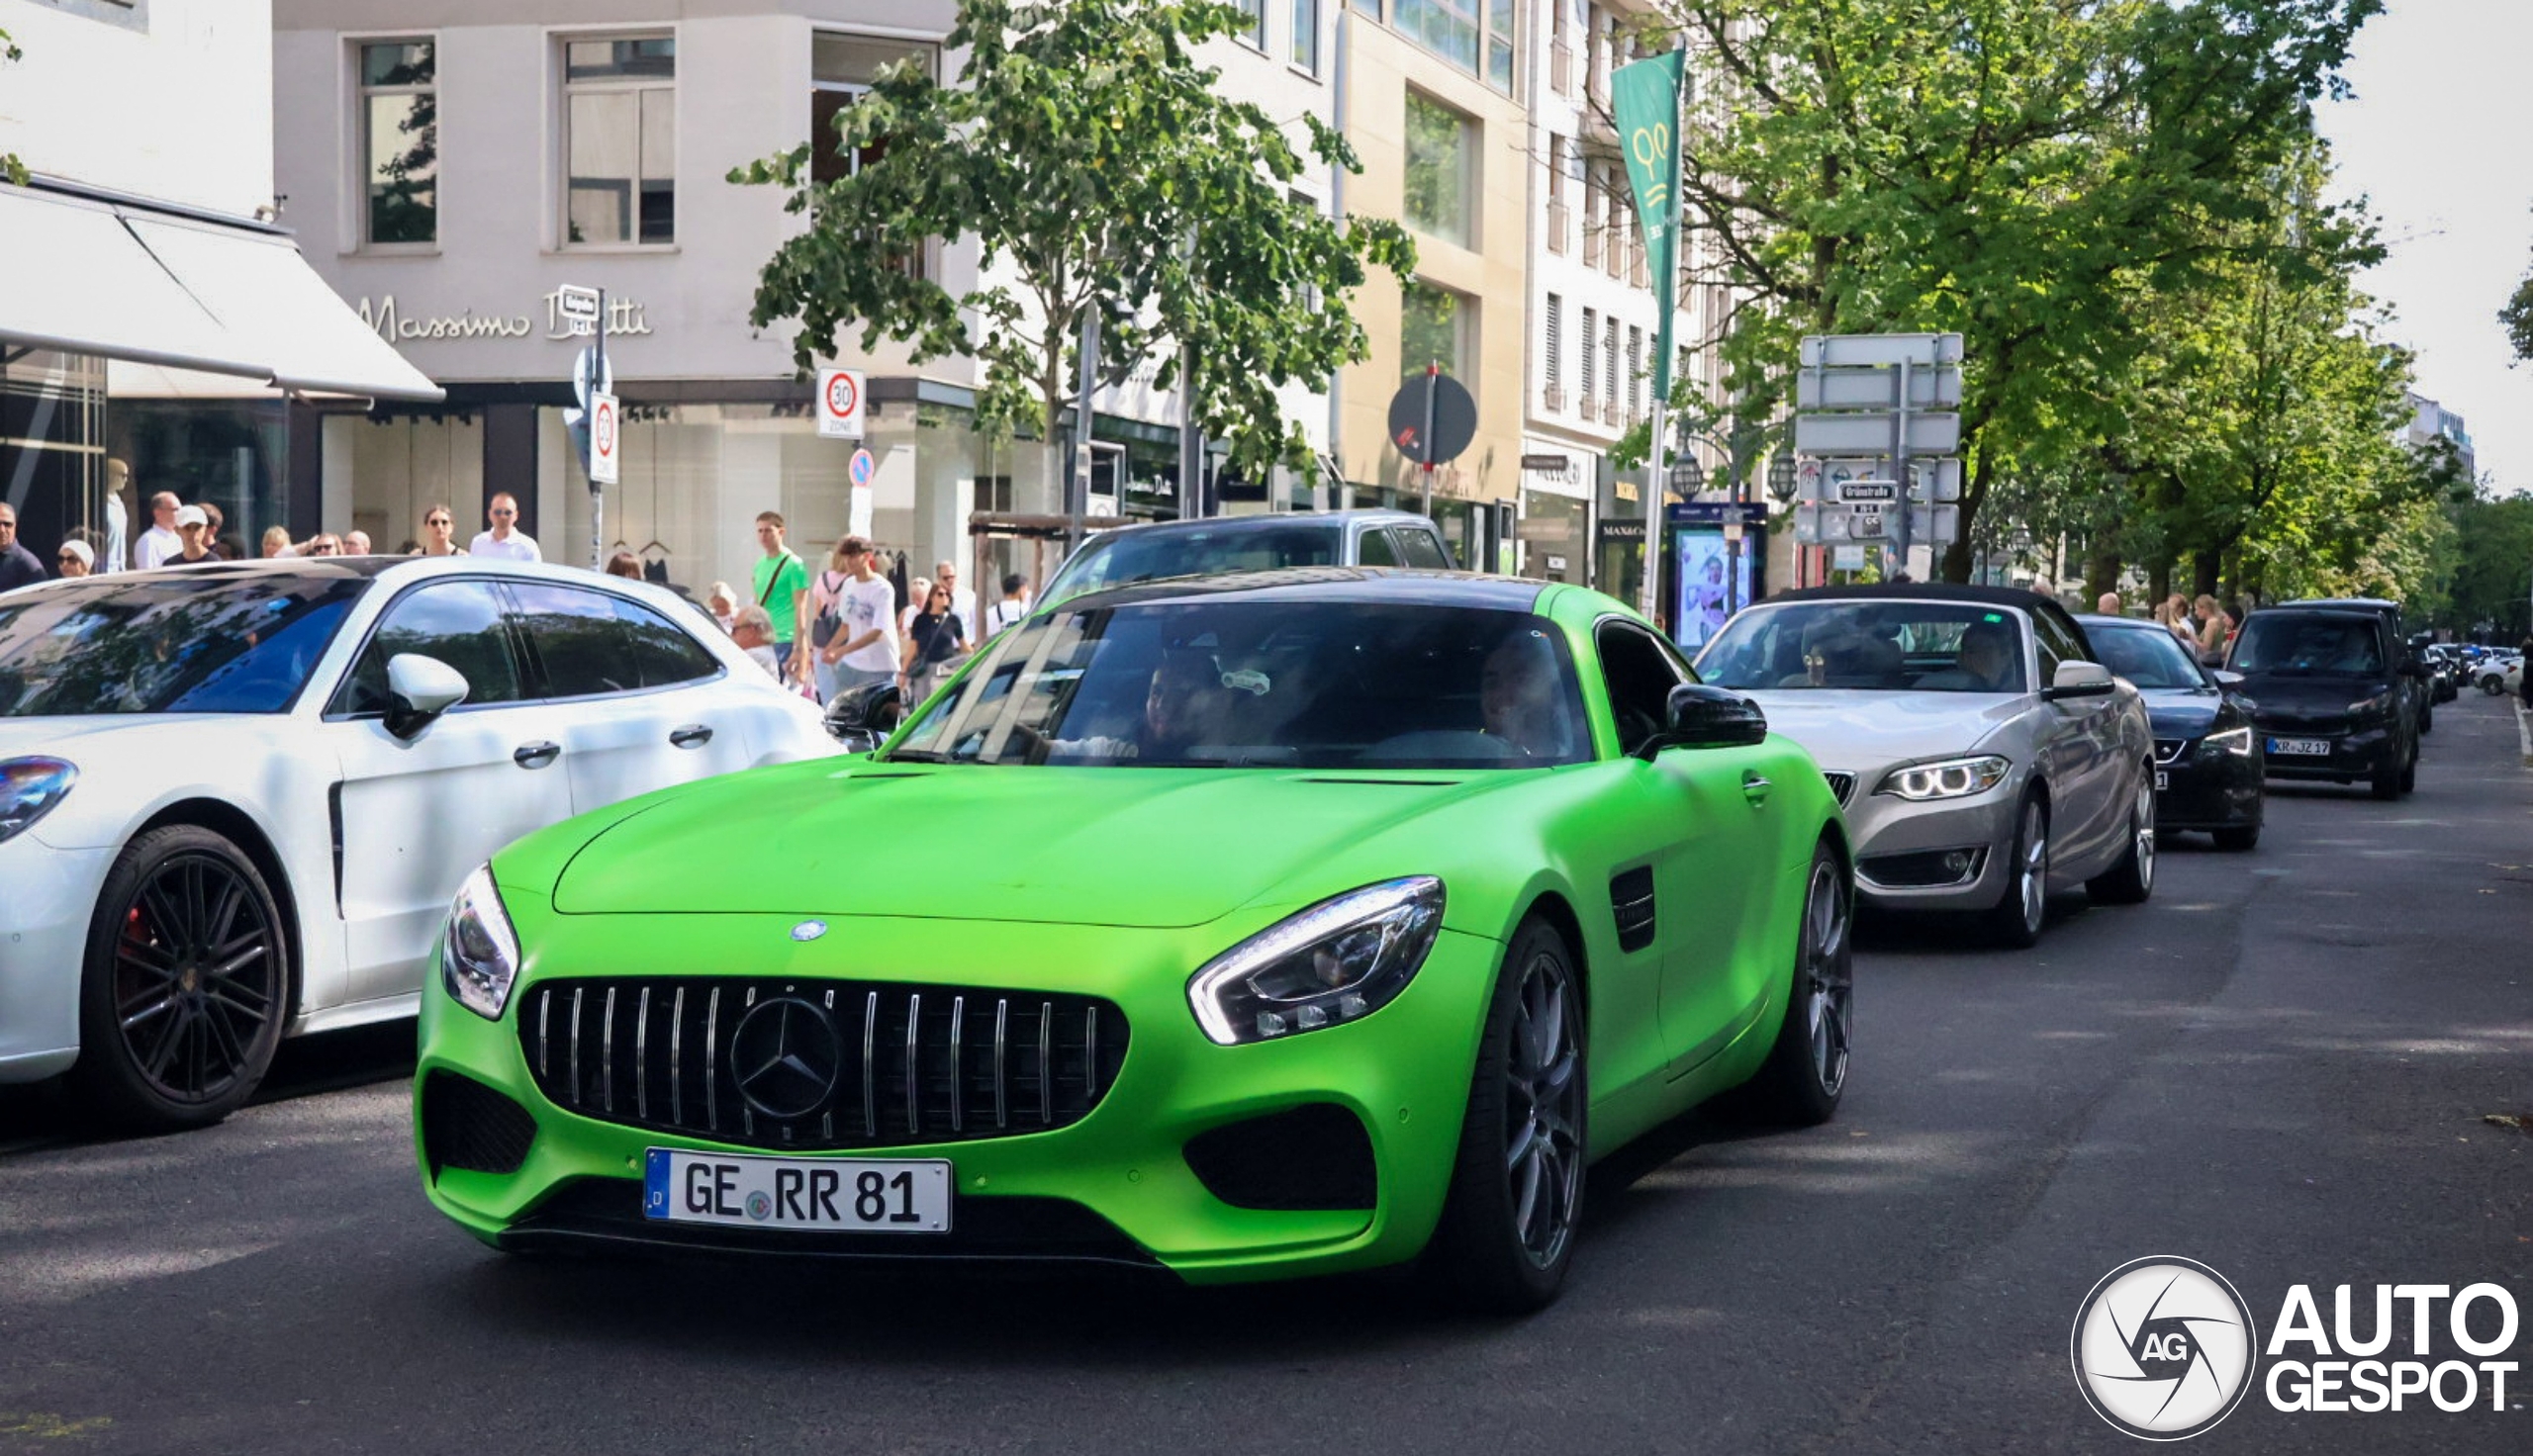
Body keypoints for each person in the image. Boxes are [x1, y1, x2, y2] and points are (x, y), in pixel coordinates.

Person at [813, 534, 899, 698]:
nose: (848, 561)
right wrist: (830, 647)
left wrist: (841, 651)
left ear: (867, 556)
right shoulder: (849, 584)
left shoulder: (883, 588)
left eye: (853, 556)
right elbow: (846, 624)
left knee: (876, 719)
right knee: (840, 713)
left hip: (878, 666)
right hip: (851, 663)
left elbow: (877, 631)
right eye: (845, 557)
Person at [1479, 629, 1573, 758]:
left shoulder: (1580, 769)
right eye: (1492, 683)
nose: (1503, 694)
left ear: (1553, 693)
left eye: (1521, 679)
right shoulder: (1458, 761)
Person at [751, 510, 810, 681]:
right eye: (760, 531)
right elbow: (757, 604)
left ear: (781, 532)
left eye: (768, 530)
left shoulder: (794, 564)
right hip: (764, 638)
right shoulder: (759, 564)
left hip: (785, 638)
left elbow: (801, 608)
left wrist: (798, 648)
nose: (763, 536)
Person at [901, 580, 968, 688]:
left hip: (946, 668)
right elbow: (912, 648)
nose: (945, 597)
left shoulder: (953, 620)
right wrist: (902, 673)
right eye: (940, 594)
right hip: (925, 668)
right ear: (932, 597)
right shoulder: (921, 620)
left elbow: (963, 645)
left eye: (947, 594)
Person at [468, 494, 540, 561]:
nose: (503, 517)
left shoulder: (528, 546)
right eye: (497, 512)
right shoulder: (478, 543)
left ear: (516, 515)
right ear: (490, 514)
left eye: (508, 512)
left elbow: (536, 573)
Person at [0, 503, 44, 592]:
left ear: (15, 525)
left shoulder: (28, 564)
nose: (2, 530)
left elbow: (40, 602)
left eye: (7, 524)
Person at [730, 604, 783, 678]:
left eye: (735, 629)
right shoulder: (765, 652)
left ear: (751, 631)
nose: (731, 635)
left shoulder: (754, 655)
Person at [135, 492, 182, 570]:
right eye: (175, 509)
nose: (180, 513)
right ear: (158, 512)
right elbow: (147, 577)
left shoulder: (180, 537)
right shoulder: (149, 541)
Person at [935, 559, 979, 641]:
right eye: (946, 578)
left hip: (964, 649)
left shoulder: (968, 596)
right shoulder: (933, 596)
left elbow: (977, 623)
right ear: (938, 578)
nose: (950, 580)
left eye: (952, 577)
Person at [101, 458, 131, 573]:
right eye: (123, 475)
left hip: (119, 568)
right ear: (112, 475)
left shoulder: (119, 504)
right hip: (103, 569)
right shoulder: (100, 503)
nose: (126, 480)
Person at [2194, 593, 2231, 663]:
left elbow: (2206, 648)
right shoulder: (2217, 621)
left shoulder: (2211, 623)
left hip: (2209, 662)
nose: (2196, 613)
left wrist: (2191, 638)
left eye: (2196, 609)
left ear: (2204, 609)